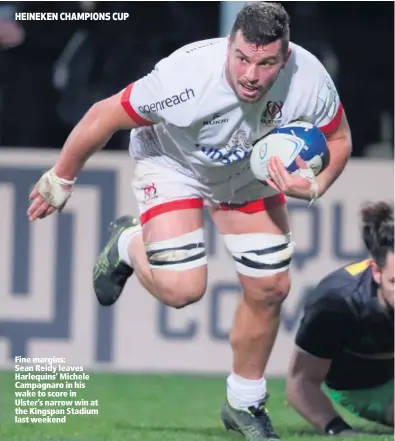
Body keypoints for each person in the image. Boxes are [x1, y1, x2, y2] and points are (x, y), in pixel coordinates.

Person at [27, 3, 352, 439]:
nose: (251, 74)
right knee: (182, 291)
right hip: (174, 165)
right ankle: (127, 242)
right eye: (242, 58)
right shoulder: (185, 79)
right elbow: (102, 115)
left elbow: (340, 137)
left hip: (246, 173)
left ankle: (245, 404)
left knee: (271, 287)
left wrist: (316, 186)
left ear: (286, 57)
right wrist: (61, 177)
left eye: (266, 62)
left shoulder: (308, 79)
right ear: (228, 48)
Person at [287, 201, 394, 436]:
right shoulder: (336, 303)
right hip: (367, 385)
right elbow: (301, 382)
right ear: (377, 272)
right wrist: (339, 429)